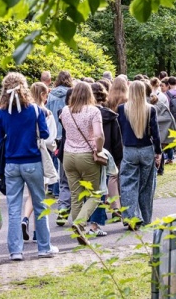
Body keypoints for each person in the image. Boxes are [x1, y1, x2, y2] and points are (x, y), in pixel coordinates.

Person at [0, 72, 58, 260]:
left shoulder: (1, 112)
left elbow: (0, 139)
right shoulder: (35, 110)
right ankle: (44, 247)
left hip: (12, 164)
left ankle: (15, 251)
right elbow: (45, 134)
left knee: (14, 208)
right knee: (40, 204)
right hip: (32, 161)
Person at [59, 82, 105, 244]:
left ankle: (80, 234)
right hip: (86, 155)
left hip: (69, 155)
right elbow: (98, 135)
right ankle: (80, 223)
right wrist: (98, 150)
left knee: (75, 196)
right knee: (95, 195)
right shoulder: (94, 111)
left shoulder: (65, 111)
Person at [118, 81, 160, 228]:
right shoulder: (150, 109)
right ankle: (146, 217)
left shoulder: (122, 109)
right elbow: (155, 133)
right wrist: (159, 152)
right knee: (146, 185)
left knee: (128, 184)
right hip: (146, 149)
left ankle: (132, 217)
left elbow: (120, 132)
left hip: (129, 149)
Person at [20, 83, 57, 242]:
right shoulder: (46, 113)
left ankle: (25, 219)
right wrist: (55, 147)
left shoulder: (24, 111)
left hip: (26, 153)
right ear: (43, 94)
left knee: (32, 194)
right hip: (42, 155)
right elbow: (49, 139)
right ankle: (38, 232)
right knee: (42, 195)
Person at [90, 82, 122, 224]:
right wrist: (118, 156)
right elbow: (117, 139)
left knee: (94, 184)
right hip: (109, 152)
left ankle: (95, 213)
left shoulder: (87, 114)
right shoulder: (111, 116)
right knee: (112, 178)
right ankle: (116, 209)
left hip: (93, 152)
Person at [46, 71, 72, 221]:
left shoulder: (51, 95)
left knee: (57, 164)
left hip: (55, 132)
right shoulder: (71, 93)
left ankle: (57, 192)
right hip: (68, 133)